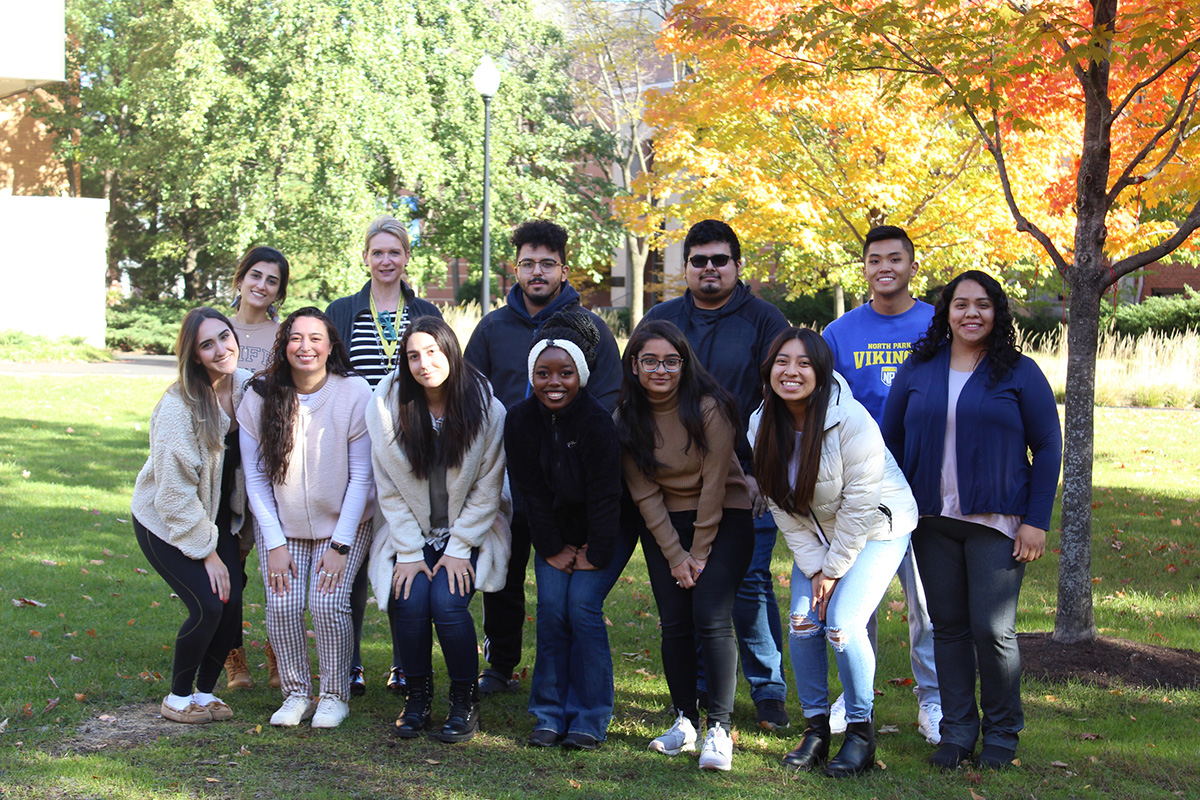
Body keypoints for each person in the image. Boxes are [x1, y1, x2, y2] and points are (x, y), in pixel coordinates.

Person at [881, 271, 1062, 770]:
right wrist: (895, 503)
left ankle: (1002, 732)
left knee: (993, 629)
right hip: (931, 519)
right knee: (949, 628)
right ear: (946, 312)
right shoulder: (919, 366)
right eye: (961, 304)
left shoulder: (1019, 372)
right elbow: (889, 438)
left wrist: (1036, 520)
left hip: (999, 520)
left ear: (996, 312)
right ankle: (958, 732)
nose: (971, 314)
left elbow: (1047, 446)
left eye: (982, 305)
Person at [641, 219, 791, 731]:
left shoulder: (764, 320)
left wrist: (762, 475)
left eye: (719, 260)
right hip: (674, 485)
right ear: (685, 268)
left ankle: (768, 689)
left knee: (746, 584)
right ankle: (700, 691)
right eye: (699, 260)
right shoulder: (663, 319)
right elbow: (639, 392)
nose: (709, 269)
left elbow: (784, 401)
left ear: (737, 266)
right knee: (690, 592)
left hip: (745, 483)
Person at [465, 219, 621, 696]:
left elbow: (610, 396)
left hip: (573, 478)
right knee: (504, 571)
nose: (537, 272)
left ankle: (569, 670)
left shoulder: (591, 329)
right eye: (528, 264)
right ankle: (501, 662)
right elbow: (472, 394)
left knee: (564, 580)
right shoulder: (493, 328)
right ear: (516, 269)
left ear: (563, 269)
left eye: (547, 265)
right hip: (509, 474)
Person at [750, 328, 917, 777]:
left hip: (879, 526)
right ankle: (817, 729)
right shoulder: (759, 423)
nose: (792, 371)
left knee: (842, 624)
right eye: (782, 362)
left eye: (804, 363)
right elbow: (781, 509)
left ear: (822, 373)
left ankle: (861, 733)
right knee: (804, 622)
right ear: (769, 370)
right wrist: (814, 567)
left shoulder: (852, 420)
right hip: (818, 537)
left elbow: (861, 505)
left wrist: (834, 570)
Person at [820, 225, 941, 742]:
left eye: (896, 258)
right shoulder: (840, 332)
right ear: (864, 268)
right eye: (874, 259)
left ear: (914, 267)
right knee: (855, 601)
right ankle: (854, 696)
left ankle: (933, 700)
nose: (884, 267)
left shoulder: (939, 323)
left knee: (928, 605)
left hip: (928, 478)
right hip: (860, 488)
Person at [617, 319, 754, 772]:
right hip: (665, 527)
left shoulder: (710, 408)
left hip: (724, 516)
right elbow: (643, 493)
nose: (661, 370)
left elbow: (715, 485)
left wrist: (699, 552)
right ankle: (685, 721)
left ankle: (719, 728)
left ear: (684, 363)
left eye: (671, 361)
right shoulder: (626, 418)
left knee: (710, 614)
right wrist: (676, 554)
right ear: (634, 365)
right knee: (675, 622)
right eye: (650, 361)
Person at [367, 317, 511, 743]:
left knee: (448, 604)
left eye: (432, 351)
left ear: (450, 351)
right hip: (410, 530)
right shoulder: (388, 406)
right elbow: (388, 487)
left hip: (470, 528)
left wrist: (460, 546)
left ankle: (465, 702)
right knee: (409, 601)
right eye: (413, 355)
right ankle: (417, 699)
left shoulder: (485, 407)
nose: (423, 363)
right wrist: (409, 552)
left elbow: (488, 489)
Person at [238, 308, 374, 730]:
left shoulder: (354, 392)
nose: (306, 346)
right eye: (296, 338)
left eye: (316, 338)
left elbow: (362, 476)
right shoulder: (260, 395)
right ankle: (296, 693)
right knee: (282, 605)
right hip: (283, 526)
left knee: (328, 603)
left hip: (343, 525)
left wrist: (340, 545)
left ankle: (334, 695)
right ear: (284, 345)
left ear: (331, 346)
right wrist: (274, 543)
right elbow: (256, 479)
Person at [326, 215, 442, 696]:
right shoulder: (344, 310)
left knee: (401, 553)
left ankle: (402, 662)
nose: (386, 260)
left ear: (406, 257)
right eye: (378, 252)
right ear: (366, 257)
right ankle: (349, 662)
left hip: (407, 451)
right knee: (351, 555)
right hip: (353, 448)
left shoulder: (424, 309)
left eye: (395, 251)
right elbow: (330, 374)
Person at [504, 310, 630, 751]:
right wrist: (554, 547)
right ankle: (548, 712)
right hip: (553, 533)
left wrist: (594, 551)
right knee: (553, 609)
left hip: (604, 531)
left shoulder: (597, 420)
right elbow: (530, 492)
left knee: (582, 608)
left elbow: (605, 494)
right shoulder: (519, 420)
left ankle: (590, 716)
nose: (553, 382)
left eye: (565, 372)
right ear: (531, 376)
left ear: (581, 374)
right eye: (543, 373)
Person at [131, 307, 251, 724]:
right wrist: (208, 552)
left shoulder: (247, 389)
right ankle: (178, 698)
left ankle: (204, 694)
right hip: (166, 520)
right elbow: (174, 493)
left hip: (218, 518)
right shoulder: (178, 406)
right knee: (208, 605)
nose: (221, 349)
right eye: (207, 344)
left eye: (225, 336)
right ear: (194, 355)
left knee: (231, 601)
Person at [224, 245, 290, 691]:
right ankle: (233, 658)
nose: (262, 286)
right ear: (241, 277)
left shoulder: (285, 335)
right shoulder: (215, 328)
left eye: (272, 281)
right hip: (220, 458)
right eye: (256, 275)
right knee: (228, 563)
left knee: (275, 558)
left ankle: (277, 654)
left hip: (269, 459)